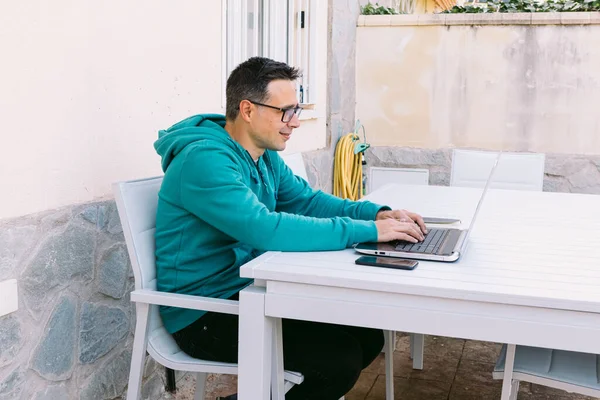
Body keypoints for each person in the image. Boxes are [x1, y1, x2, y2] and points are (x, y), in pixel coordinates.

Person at [153, 56, 426, 400]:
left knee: (367, 335)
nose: (294, 122)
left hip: (250, 292)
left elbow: (308, 202)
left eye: (297, 110)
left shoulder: (263, 156)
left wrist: (379, 215)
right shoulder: (204, 161)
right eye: (286, 111)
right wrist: (368, 232)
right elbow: (266, 229)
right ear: (248, 110)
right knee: (337, 360)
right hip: (204, 314)